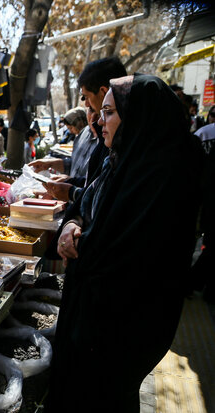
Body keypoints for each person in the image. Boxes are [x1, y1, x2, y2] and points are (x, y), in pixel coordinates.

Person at [46, 74, 204, 413]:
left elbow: (133, 255)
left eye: (110, 113)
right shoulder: (119, 159)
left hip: (122, 325)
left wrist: (81, 247)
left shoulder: (163, 176)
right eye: (100, 112)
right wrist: (72, 224)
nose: (100, 122)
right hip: (94, 317)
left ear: (137, 117)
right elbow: (88, 206)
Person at [35, 57, 127, 202]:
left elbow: (105, 202)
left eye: (108, 112)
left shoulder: (123, 145)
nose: (99, 120)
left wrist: (72, 193)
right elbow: (93, 182)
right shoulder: (90, 135)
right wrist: (71, 182)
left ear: (104, 92)